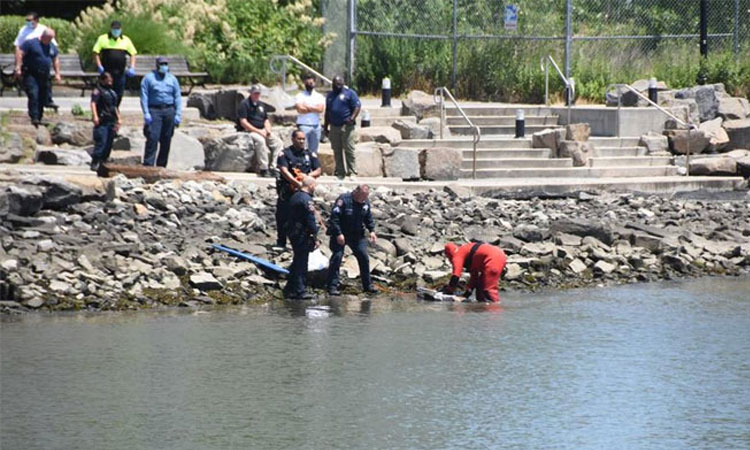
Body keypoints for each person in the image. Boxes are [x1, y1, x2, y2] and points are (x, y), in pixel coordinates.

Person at [326, 185, 378, 296]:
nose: (364, 199)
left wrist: (372, 230)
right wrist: (338, 233)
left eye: (366, 197)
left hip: (357, 235)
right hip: (341, 233)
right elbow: (334, 218)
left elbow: (368, 217)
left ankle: (367, 285)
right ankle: (332, 286)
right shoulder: (343, 200)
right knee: (337, 257)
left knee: (364, 257)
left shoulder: (365, 202)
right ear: (356, 192)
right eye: (362, 196)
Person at [276, 129, 322, 248]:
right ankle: (281, 242)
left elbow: (318, 169)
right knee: (283, 216)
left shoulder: (309, 154)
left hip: (304, 192)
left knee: (305, 215)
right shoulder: (285, 153)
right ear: (293, 139)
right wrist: (296, 182)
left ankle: (305, 241)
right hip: (288, 191)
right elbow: (284, 170)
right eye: (299, 139)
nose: (301, 141)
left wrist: (306, 177)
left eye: (303, 139)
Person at [140, 56, 181, 167]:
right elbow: (144, 96)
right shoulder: (148, 78)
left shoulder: (172, 79)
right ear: (157, 65)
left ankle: (162, 166)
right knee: (153, 138)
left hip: (169, 110)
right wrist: (146, 113)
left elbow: (177, 96)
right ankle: (148, 165)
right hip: (154, 110)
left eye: (166, 64)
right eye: (162, 64)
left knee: (166, 139)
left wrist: (178, 114)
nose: (164, 66)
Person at [284, 176, 319, 300]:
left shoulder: (295, 196)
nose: (315, 187)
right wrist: (315, 235)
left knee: (297, 259)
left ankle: (290, 288)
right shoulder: (306, 199)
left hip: (292, 231)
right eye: (314, 185)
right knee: (302, 262)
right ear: (310, 186)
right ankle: (300, 290)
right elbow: (310, 219)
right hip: (301, 233)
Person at [14, 29, 60, 126]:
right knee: (33, 94)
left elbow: (55, 59)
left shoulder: (51, 46)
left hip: (44, 75)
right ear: (43, 36)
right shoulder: (31, 43)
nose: (51, 40)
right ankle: (34, 117)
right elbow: (20, 53)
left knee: (42, 96)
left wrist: (57, 73)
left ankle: (39, 117)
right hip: (31, 73)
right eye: (50, 38)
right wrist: (18, 67)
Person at [13, 12, 58, 109]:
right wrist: (17, 65)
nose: (28, 22)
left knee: (43, 89)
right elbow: (18, 47)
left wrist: (57, 71)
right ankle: (35, 114)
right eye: (27, 20)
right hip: (29, 63)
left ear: (37, 20)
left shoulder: (43, 29)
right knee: (33, 92)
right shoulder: (23, 30)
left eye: (30, 20)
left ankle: (46, 102)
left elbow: (53, 47)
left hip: (42, 65)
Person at [237, 85, 283, 177]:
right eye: (255, 93)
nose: (257, 95)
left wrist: (268, 130)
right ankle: (264, 168)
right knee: (260, 141)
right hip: (250, 131)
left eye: (258, 93)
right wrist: (259, 131)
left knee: (278, 143)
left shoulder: (261, 105)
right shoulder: (244, 104)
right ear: (251, 93)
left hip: (262, 130)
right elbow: (243, 122)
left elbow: (266, 120)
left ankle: (274, 167)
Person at [442, 242, 508, 303]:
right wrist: (466, 295)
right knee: (479, 291)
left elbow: (456, 275)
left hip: (493, 259)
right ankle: (483, 311)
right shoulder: (467, 251)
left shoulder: (457, 255)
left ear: (449, 254)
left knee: (488, 290)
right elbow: (474, 278)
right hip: (498, 255)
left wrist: (449, 290)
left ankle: (495, 311)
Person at [92, 20, 137, 106]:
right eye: (114, 29)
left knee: (119, 93)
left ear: (121, 29)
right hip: (107, 72)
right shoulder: (103, 38)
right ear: (111, 29)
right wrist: (99, 66)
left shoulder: (126, 40)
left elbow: (133, 54)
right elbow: (95, 52)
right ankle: (103, 110)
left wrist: (132, 67)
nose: (116, 31)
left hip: (120, 72)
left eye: (118, 29)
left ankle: (115, 110)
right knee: (104, 92)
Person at [324, 75, 361, 180]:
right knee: (337, 150)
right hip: (334, 126)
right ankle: (340, 172)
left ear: (343, 83)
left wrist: (352, 118)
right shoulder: (330, 95)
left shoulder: (350, 93)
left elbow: (357, 106)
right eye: (335, 84)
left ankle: (352, 172)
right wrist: (326, 127)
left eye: (339, 84)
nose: (337, 86)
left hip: (347, 126)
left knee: (349, 149)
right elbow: (327, 111)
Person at [89, 72, 120, 172]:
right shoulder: (98, 91)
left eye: (111, 79)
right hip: (102, 121)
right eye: (108, 79)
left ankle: (104, 162)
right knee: (101, 142)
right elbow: (93, 103)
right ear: (103, 80)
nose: (110, 81)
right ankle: (95, 161)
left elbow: (114, 106)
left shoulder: (112, 92)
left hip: (111, 120)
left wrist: (119, 119)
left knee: (109, 143)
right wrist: (95, 116)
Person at [295, 73, 325, 154]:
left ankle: (313, 166)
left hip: (316, 126)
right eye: (307, 83)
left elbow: (320, 109)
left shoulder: (319, 96)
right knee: (301, 149)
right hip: (303, 125)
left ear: (314, 83)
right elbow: (300, 109)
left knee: (314, 151)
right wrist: (314, 108)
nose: (309, 85)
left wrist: (307, 107)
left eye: (311, 83)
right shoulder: (299, 96)